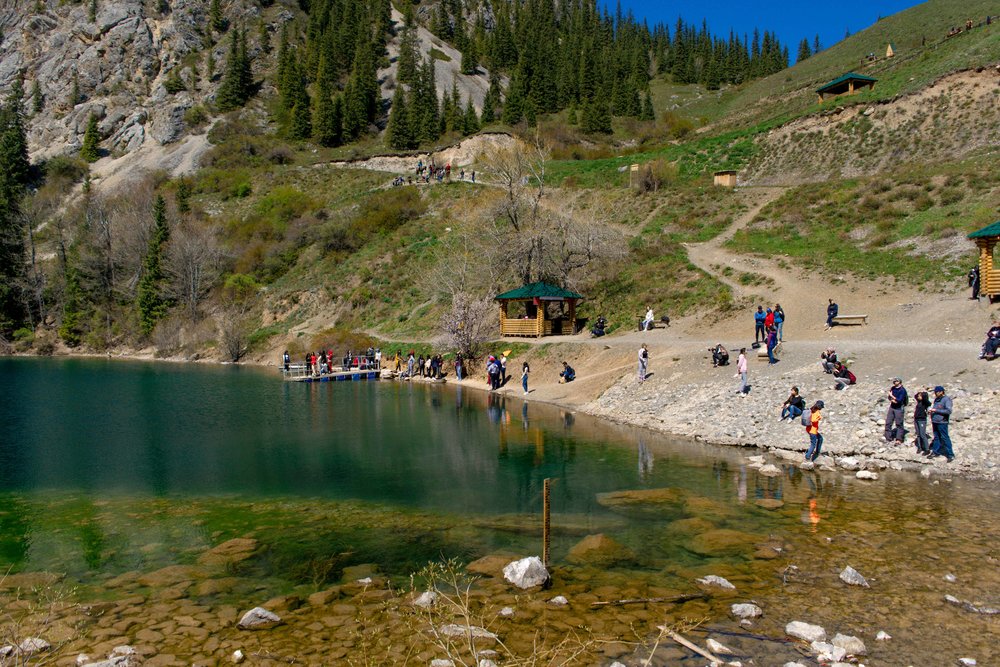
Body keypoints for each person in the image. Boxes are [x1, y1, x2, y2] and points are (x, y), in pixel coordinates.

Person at [928, 386, 954, 462]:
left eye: (937, 392)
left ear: (942, 392)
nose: (936, 393)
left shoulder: (946, 399)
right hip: (935, 421)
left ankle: (950, 455)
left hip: (942, 422)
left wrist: (936, 410)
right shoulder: (936, 399)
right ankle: (935, 452)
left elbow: (948, 411)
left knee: (945, 437)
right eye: (935, 392)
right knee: (936, 437)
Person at [884, 377, 908, 444]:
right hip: (892, 407)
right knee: (888, 422)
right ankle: (888, 437)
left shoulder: (902, 390)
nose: (894, 382)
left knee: (899, 423)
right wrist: (892, 399)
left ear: (900, 382)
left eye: (896, 381)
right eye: (894, 381)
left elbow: (899, 400)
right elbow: (889, 397)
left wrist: (892, 396)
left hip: (899, 408)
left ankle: (899, 439)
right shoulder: (893, 388)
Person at [912, 388, 932, 455]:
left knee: (922, 434)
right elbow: (915, 396)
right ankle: (920, 447)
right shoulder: (919, 402)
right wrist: (919, 392)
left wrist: (923, 394)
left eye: (920, 396)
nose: (918, 397)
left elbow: (929, 402)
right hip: (916, 419)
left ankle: (927, 449)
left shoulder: (925, 403)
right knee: (918, 434)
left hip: (922, 420)